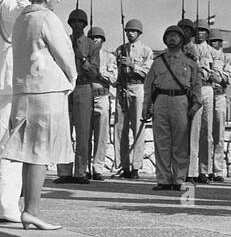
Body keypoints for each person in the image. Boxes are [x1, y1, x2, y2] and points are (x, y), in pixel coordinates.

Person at [0, 0, 73, 230]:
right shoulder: (47, 18)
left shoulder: (21, 18)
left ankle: (28, 208)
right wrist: (71, 79)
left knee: (29, 152)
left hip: (23, 90)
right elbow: (65, 55)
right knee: (40, 152)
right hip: (46, 91)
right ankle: (32, 210)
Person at [0, 0, 37, 223]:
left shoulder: (11, 3)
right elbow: (30, 17)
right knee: (11, 142)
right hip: (12, 78)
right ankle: (6, 205)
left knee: (9, 141)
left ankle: (2, 204)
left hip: (11, 78)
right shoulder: (11, 4)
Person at [144, 24, 202, 192]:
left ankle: (178, 179)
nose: (172, 38)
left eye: (175, 36)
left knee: (180, 143)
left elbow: (197, 84)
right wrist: (146, 107)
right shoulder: (158, 62)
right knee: (162, 142)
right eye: (169, 35)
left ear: (182, 40)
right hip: (161, 101)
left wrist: (196, 104)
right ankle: (163, 179)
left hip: (181, 102)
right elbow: (148, 86)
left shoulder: (190, 62)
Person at [57, 7, 100, 183]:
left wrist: (83, 59)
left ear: (84, 24)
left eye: (80, 22)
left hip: (83, 87)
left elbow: (94, 71)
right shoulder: (63, 42)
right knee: (64, 131)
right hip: (66, 87)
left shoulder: (92, 45)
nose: (76, 25)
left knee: (83, 132)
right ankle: (64, 171)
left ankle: (81, 171)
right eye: (73, 22)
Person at [114, 18, 153, 178]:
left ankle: (135, 166)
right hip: (123, 88)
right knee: (120, 129)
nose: (130, 33)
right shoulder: (120, 49)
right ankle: (124, 166)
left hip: (138, 88)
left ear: (139, 32)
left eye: (133, 31)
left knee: (138, 127)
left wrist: (132, 65)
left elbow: (148, 72)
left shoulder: (146, 50)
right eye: (128, 31)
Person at [185, 21, 217, 183]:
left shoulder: (213, 52)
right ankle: (191, 170)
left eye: (203, 31)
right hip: (192, 90)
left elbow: (215, 75)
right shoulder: (187, 49)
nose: (200, 33)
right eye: (197, 30)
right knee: (193, 131)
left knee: (207, 131)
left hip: (207, 89)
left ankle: (205, 169)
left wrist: (199, 66)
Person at [86, 25, 118, 180]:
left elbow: (114, 79)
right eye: (92, 38)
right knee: (85, 134)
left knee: (101, 135)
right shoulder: (83, 56)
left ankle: (97, 168)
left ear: (103, 40)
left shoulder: (109, 57)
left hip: (102, 96)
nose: (94, 40)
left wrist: (99, 72)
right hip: (86, 96)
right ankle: (84, 168)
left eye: (97, 38)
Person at [207, 31, 231, 182]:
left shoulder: (226, 58)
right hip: (207, 95)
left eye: (216, 41)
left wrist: (215, 74)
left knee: (219, 136)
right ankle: (206, 168)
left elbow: (228, 78)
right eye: (211, 41)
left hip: (219, 95)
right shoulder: (204, 56)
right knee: (206, 134)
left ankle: (218, 170)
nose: (213, 44)